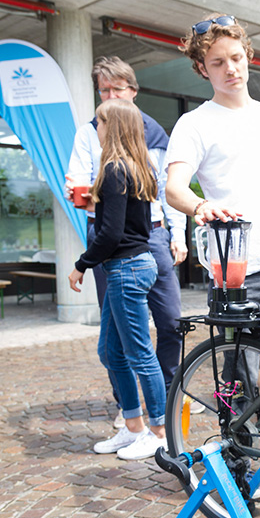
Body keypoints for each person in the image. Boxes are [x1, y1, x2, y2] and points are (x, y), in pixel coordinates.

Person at [66, 56, 186, 427]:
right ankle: (132, 412)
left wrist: (177, 233)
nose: (109, 96)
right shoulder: (92, 135)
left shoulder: (139, 147)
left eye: (116, 89)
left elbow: (165, 192)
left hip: (137, 241)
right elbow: (79, 185)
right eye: (103, 90)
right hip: (114, 241)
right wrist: (83, 193)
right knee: (114, 341)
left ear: (132, 92)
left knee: (164, 326)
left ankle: (161, 414)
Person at [164, 14, 260, 310]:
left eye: (236, 57)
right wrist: (201, 206)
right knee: (239, 356)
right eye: (217, 62)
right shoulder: (193, 124)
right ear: (202, 68)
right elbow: (174, 189)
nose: (230, 68)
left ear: (248, 56)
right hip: (235, 271)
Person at [68, 99, 168, 461]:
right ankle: (133, 427)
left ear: (115, 126)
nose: (96, 126)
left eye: (100, 120)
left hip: (126, 268)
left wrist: (82, 263)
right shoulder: (137, 167)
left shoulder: (114, 169)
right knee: (111, 352)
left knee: (139, 354)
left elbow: (110, 233)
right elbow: (127, 224)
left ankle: (158, 433)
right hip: (130, 265)